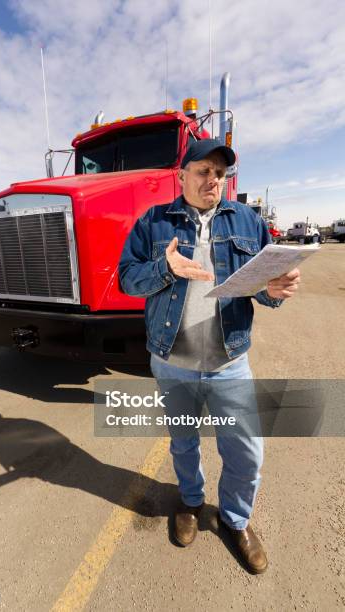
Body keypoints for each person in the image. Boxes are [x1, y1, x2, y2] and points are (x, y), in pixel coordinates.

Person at [118, 139, 300, 574]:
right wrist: (167, 269)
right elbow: (127, 279)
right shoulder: (153, 223)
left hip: (228, 361)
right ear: (181, 176)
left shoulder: (249, 221)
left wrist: (276, 291)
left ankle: (236, 521)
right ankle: (191, 502)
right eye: (202, 170)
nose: (212, 179)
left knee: (245, 450)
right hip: (171, 361)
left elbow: (267, 281)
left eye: (219, 172)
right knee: (184, 442)